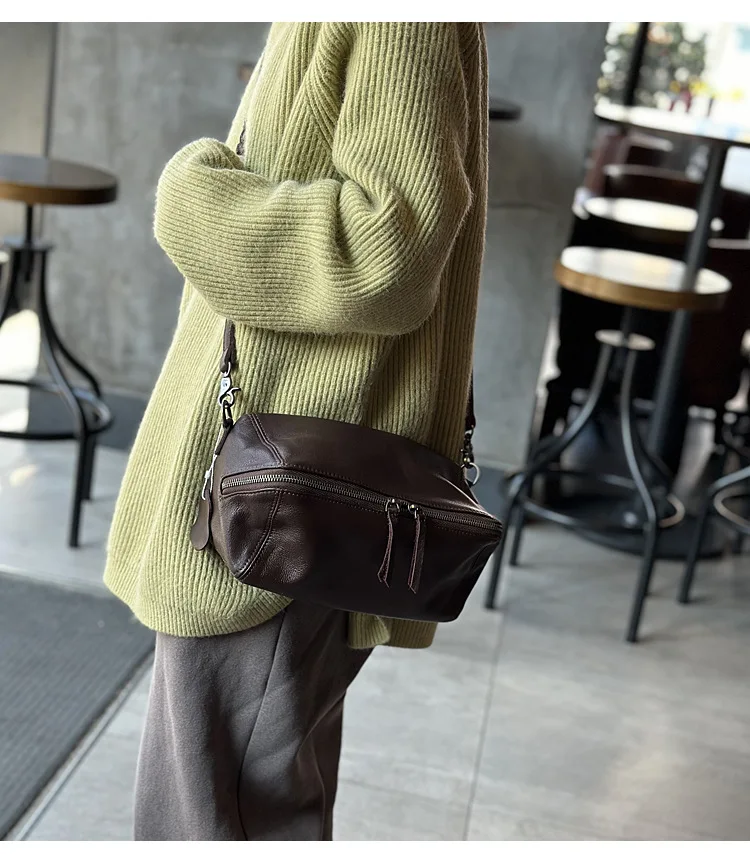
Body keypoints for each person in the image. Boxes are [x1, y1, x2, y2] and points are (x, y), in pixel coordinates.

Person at [104, 21, 489, 841]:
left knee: (219, 813)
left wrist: (195, 197)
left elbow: (388, 250)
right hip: (285, 485)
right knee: (250, 800)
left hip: (285, 509)